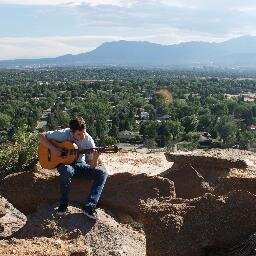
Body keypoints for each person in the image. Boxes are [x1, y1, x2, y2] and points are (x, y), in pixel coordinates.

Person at [39, 116, 108, 220]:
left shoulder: (89, 141)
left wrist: (95, 158)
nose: (82, 136)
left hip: (80, 165)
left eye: (84, 132)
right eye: (79, 134)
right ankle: (63, 204)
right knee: (66, 170)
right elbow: (41, 136)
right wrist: (54, 149)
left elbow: (92, 166)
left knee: (102, 173)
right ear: (72, 132)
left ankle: (89, 206)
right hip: (65, 165)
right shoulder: (64, 134)